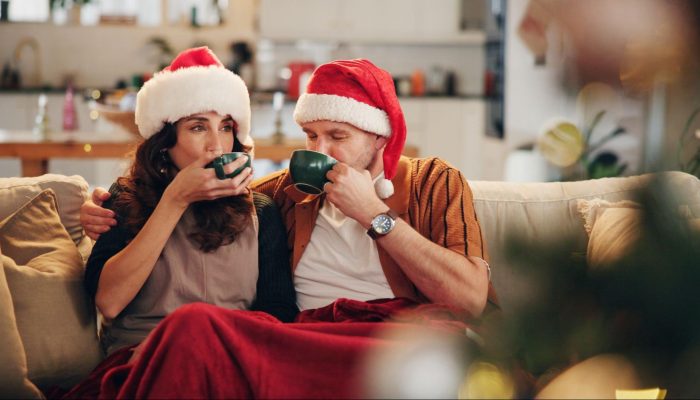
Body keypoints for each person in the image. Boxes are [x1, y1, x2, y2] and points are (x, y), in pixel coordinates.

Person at [83, 59, 497, 317]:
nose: (321, 150)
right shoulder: (284, 195)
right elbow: (211, 193)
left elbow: (469, 299)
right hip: (309, 339)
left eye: (337, 135)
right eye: (311, 136)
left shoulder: (433, 181)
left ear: (379, 139)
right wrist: (102, 204)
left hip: (400, 337)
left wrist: (374, 215)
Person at [60, 46, 297, 398]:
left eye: (226, 127)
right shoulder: (126, 199)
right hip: (141, 360)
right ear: (164, 143)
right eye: (198, 127)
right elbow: (109, 302)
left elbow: (278, 317)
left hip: (228, 359)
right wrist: (175, 200)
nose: (217, 145)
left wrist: (211, 345)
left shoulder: (260, 211)